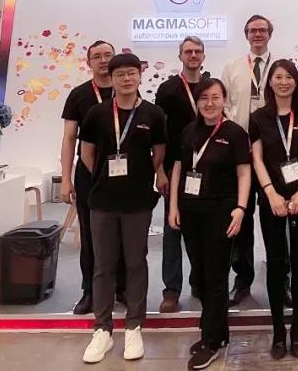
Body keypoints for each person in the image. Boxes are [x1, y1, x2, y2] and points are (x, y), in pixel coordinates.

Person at [79, 53, 167, 364]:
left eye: (131, 73)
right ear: (112, 79)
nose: (126, 79)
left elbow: (159, 154)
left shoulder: (153, 114)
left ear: (140, 76)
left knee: (135, 262)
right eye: (120, 74)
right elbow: (87, 154)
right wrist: (105, 177)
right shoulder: (97, 113)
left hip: (138, 202)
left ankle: (134, 326)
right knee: (103, 265)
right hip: (102, 201)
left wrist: (141, 176)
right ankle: (102, 329)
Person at [168, 78, 251, 370]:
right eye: (204, 98)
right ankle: (219, 332)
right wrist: (173, 206)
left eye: (215, 97)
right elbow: (179, 169)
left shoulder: (235, 133)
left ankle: (211, 340)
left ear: (224, 100)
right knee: (200, 276)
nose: (210, 103)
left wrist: (241, 208)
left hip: (221, 213)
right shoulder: (189, 131)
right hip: (190, 212)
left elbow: (244, 173)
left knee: (215, 277)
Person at [251, 60, 298, 359]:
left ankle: (297, 329)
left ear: (296, 81)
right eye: (278, 77)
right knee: (276, 262)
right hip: (272, 199)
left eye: (289, 77)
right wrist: (271, 194)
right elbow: (256, 159)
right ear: (270, 82)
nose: (283, 82)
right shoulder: (259, 117)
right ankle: (279, 331)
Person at [59, 40, 125, 315]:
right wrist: (66, 178)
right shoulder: (79, 95)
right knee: (90, 233)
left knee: (123, 232)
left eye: (108, 55)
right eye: (97, 56)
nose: (103, 60)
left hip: (123, 174)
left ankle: (122, 288)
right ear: (89, 63)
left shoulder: (127, 89)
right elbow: (69, 138)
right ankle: (90, 291)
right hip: (89, 174)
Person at [220, 14, 276, 305]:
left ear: (269, 34)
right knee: (240, 215)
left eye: (262, 30)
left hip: (273, 153)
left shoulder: (280, 68)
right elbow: (223, 105)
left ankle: (281, 279)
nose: (258, 34)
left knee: (276, 218)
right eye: (253, 30)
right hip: (239, 153)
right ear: (246, 35)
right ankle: (242, 280)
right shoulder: (232, 67)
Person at [155, 36, 209, 313]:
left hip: (208, 169)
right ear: (180, 56)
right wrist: (160, 171)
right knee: (172, 230)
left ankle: (200, 282)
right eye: (188, 51)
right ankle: (171, 290)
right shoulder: (167, 90)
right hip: (175, 169)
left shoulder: (210, 88)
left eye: (198, 51)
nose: (193, 55)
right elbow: (159, 134)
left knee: (202, 230)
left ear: (203, 56)